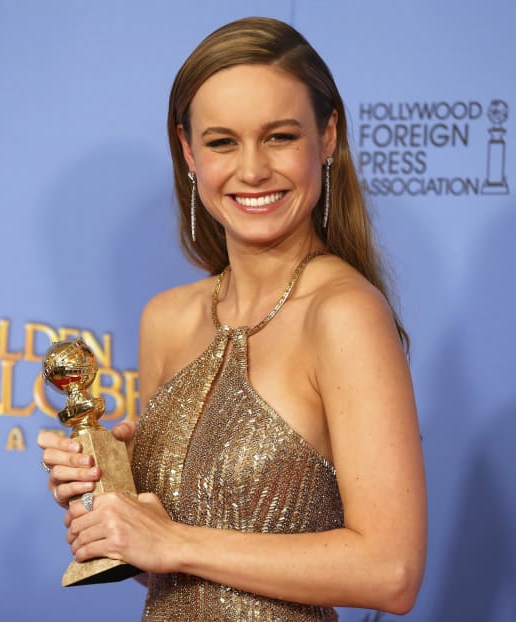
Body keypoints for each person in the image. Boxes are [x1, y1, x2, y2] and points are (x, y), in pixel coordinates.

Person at [38, 16, 426, 621]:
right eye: (222, 142)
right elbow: (179, 579)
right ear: (188, 152)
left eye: (279, 137)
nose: (251, 171)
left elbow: (391, 572)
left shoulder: (343, 315)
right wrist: (111, 511)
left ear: (327, 138)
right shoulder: (166, 319)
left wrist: (174, 541)